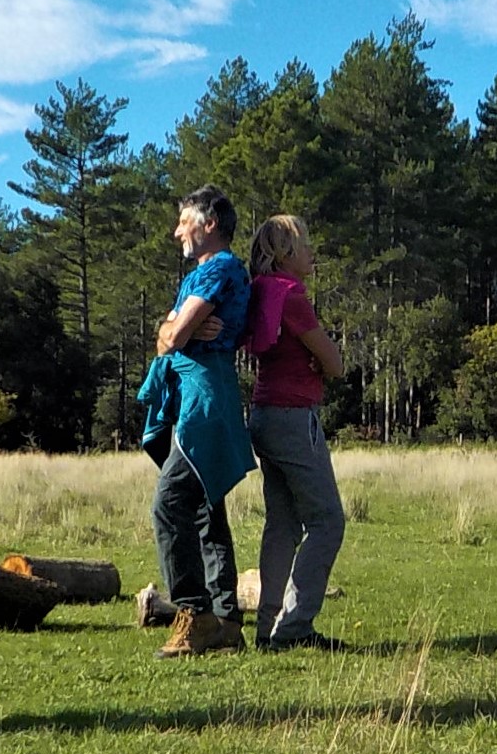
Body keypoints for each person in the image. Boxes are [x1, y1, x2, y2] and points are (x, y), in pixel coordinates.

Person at [138, 184, 253, 658]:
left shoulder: (221, 268)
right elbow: (168, 336)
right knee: (205, 510)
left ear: (209, 225)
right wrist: (172, 332)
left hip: (204, 399)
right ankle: (225, 620)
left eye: (184, 221)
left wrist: (174, 331)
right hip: (196, 393)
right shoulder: (202, 274)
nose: (176, 231)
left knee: (169, 504)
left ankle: (193, 612)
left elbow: (177, 333)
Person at [242, 214, 347, 651]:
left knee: (282, 525)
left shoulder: (260, 292)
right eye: (305, 246)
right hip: (293, 415)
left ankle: (268, 627)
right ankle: (295, 626)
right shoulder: (293, 296)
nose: (312, 254)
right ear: (286, 253)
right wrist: (323, 361)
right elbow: (336, 364)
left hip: (263, 414)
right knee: (327, 522)